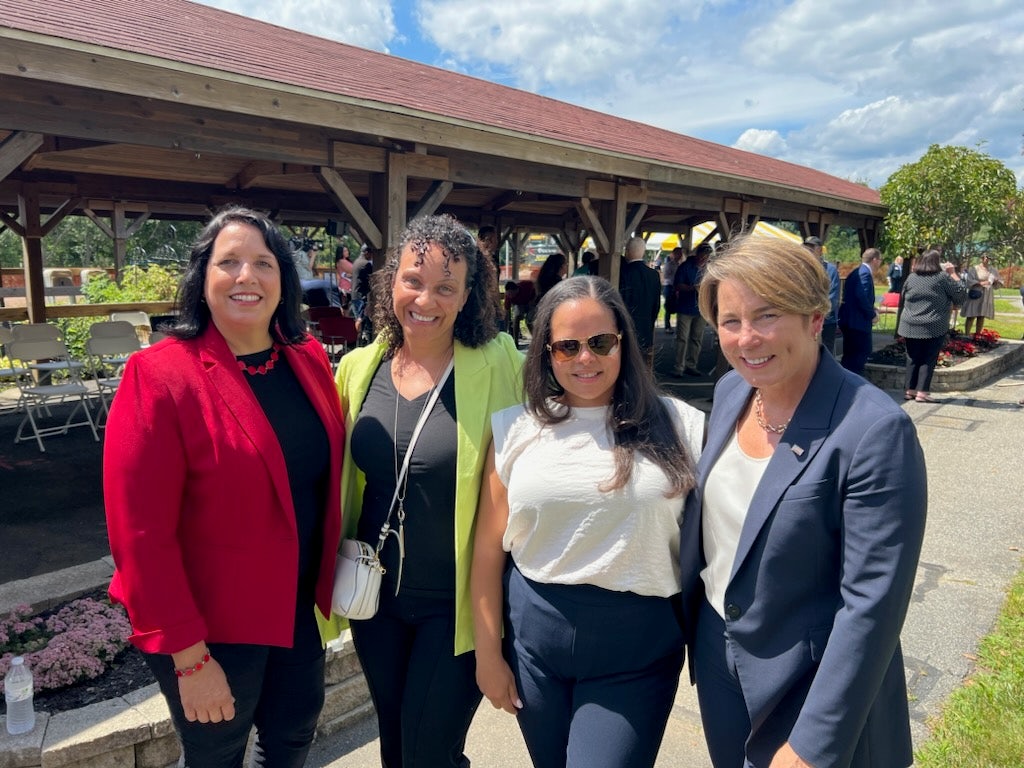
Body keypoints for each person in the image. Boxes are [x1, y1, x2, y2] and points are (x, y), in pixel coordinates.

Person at [104, 206, 346, 768]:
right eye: (229, 262)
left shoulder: (307, 358)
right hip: (211, 626)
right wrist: (189, 658)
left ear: (283, 278)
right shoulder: (160, 375)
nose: (246, 276)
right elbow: (140, 535)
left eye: (263, 263)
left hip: (292, 607)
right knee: (217, 755)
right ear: (202, 276)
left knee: (293, 738)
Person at [680, 235, 927, 768]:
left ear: (815, 318)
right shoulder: (731, 391)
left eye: (767, 315)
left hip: (810, 680)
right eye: (730, 320)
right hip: (720, 658)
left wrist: (814, 743)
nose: (747, 338)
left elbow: (872, 604)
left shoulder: (874, 430)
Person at [472, 275, 703, 768]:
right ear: (546, 353)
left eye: (601, 343)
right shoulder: (514, 428)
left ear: (623, 342)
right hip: (535, 640)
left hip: (636, 648)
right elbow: (489, 549)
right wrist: (487, 655)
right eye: (567, 347)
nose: (585, 358)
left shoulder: (682, 424)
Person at [327, 214, 523, 768]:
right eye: (413, 280)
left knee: (429, 754)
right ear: (391, 281)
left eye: (445, 287)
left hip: (456, 603)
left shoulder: (499, 362)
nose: (425, 300)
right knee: (396, 746)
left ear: (467, 296)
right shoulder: (358, 368)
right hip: (376, 601)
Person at [896, 250, 967, 403]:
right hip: (933, 324)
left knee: (912, 357)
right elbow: (960, 295)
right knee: (928, 357)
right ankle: (922, 392)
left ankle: (910, 390)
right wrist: (953, 274)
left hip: (910, 323)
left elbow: (903, 296)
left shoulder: (912, 277)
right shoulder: (942, 277)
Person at [618, 235, 661, 365]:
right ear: (643, 252)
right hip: (646, 328)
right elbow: (656, 305)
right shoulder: (654, 275)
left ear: (627, 251)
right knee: (643, 365)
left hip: (626, 329)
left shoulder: (622, 273)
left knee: (626, 365)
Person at [838, 247, 882, 375]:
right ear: (875, 260)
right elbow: (861, 296)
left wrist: (872, 307)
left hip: (851, 322)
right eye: (880, 260)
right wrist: (872, 315)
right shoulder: (864, 273)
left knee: (850, 357)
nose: (880, 263)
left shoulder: (856, 272)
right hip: (857, 323)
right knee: (859, 356)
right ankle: (853, 384)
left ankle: (846, 382)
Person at [672, 243, 711, 377]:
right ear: (697, 254)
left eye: (707, 256)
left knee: (696, 339)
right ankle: (679, 367)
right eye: (703, 255)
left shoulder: (709, 269)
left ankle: (691, 365)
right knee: (682, 338)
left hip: (701, 309)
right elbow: (677, 285)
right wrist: (692, 288)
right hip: (685, 307)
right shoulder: (685, 267)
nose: (704, 258)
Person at [803, 237, 840, 354]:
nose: (807, 250)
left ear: (819, 250)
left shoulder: (831, 270)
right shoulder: (801, 269)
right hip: (805, 320)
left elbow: (832, 298)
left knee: (825, 355)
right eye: (806, 247)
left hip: (826, 322)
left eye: (811, 248)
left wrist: (816, 313)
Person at [961, 253, 1003, 336]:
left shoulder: (993, 269)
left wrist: (996, 281)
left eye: (989, 258)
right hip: (976, 293)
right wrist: (981, 283)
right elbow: (969, 281)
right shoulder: (974, 269)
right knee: (971, 315)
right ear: (982, 258)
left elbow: (999, 282)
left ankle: (977, 335)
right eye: (986, 257)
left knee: (981, 316)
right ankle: (966, 335)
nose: (987, 259)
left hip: (987, 295)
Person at [660, 247, 683, 331]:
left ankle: (678, 326)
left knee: (678, 306)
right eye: (678, 253)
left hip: (677, 287)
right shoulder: (669, 264)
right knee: (669, 306)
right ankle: (667, 326)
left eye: (681, 253)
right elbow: (666, 276)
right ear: (674, 254)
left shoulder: (680, 265)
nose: (680, 255)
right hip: (669, 287)